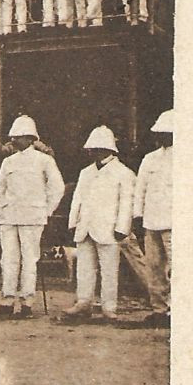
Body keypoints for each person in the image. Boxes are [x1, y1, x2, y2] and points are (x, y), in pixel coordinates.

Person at [0, 115, 65, 319]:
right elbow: (0, 189)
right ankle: (7, 300)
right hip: (9, 216)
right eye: (14, 136)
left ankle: (26, 302)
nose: (14, 140)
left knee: (30, 260)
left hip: (33, 217)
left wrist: (46, 210)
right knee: (8, 259)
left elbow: (56, 188)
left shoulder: (44, 161)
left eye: (20, 137)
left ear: (31, 138)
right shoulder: (8, 162)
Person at [61, 125, 137, 323]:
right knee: (84, 268)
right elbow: (77, 199)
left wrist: (122, 228)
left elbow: (127, 203)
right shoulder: (86, 172)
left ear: (107, 149)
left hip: (109, 228)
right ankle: (83, 302)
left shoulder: (124, 173)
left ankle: (109, 307)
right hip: (85, 227)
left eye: (95, 149)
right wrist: (73, 223)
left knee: (109, 269)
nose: (91, 152)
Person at [131, 109, 173, 327]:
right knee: (154, 266)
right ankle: (159, 309)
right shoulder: (150, 158)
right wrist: (138, 214)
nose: (163, 137)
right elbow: (140, 188)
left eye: (167, 133)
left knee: (176, 266)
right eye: (160, 133)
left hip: (175, 222)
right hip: (152, 220)